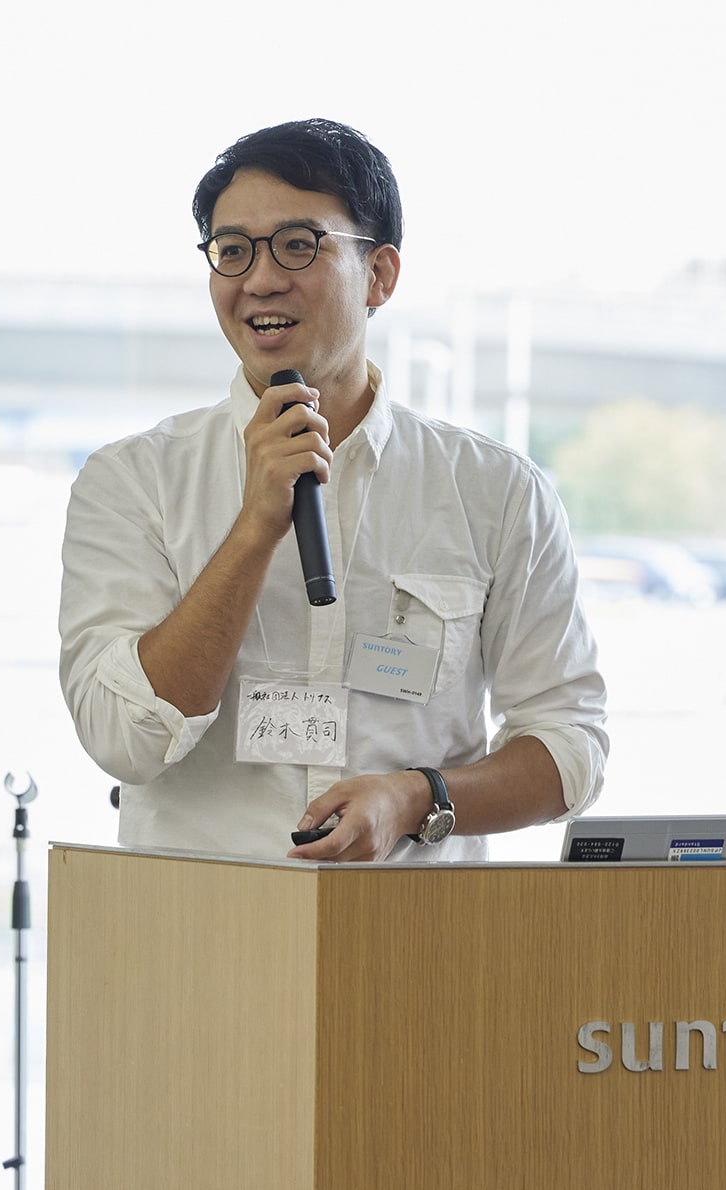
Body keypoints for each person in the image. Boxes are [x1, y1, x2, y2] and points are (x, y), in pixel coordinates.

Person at [58, 118, 608, 862]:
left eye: (298, 245)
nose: (259, 279)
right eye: (232, 250)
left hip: (410, 941)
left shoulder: (496, 491)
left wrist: (420, 796)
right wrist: (253, 528)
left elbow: (569, 747)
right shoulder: (132, 482)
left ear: (380, 274)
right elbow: (123, 740)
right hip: (197, 938)